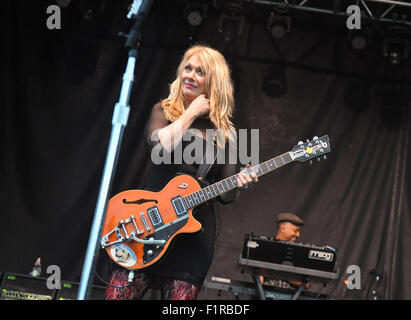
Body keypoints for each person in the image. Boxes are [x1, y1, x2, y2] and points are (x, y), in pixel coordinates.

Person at [105, 45, 258, 300]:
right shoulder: (162, 112)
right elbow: (159, 144)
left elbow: (226, 196)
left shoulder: (227, 135)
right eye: (188, 68)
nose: (190, 75)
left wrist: (240, 183)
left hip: (193, 234)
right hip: (147, 222)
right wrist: (190, 113)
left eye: (200, 72)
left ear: (213, 82)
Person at [260, 212, 308, 290]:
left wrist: (282, 275)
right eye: (296, 231)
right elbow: (259, 275)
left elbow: (307, 283)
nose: (298, 235)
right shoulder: (266, 246)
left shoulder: (299, 252)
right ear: (283, 228)